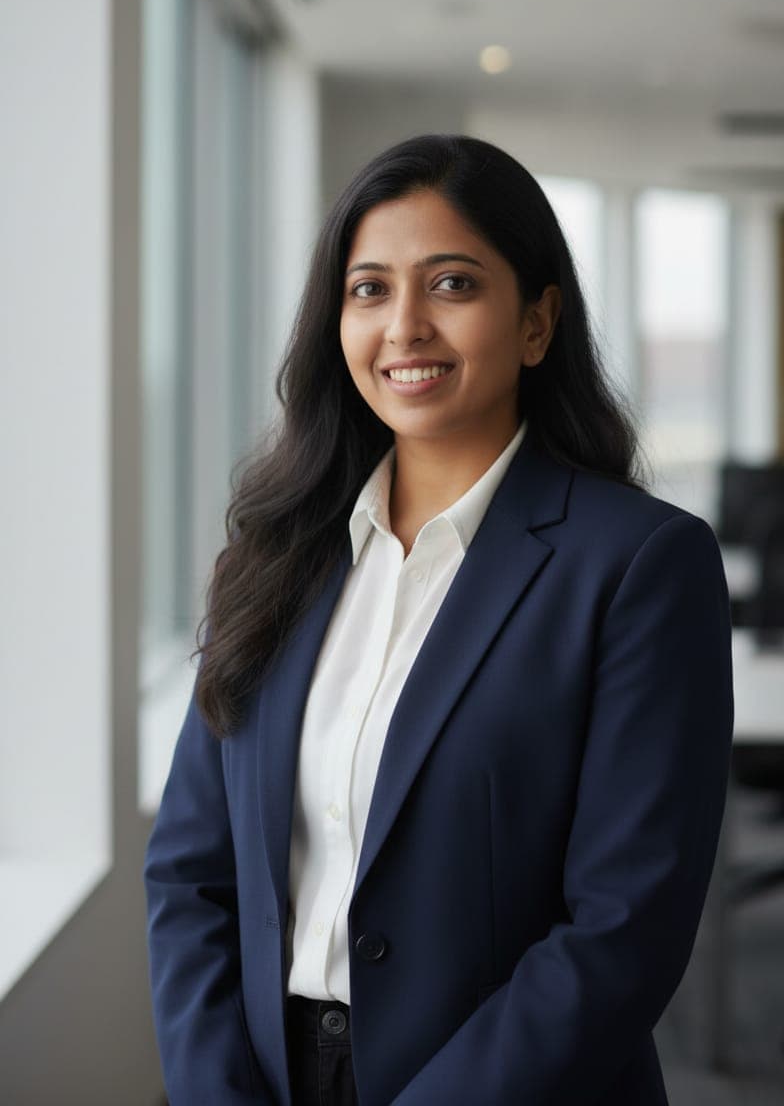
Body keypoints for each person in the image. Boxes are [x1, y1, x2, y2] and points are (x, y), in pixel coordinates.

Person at [145, 133, 733, 1106]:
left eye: (452, 284)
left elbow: (622, 927)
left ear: (537, 321)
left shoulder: (639, 564)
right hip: (269, 1074)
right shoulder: (272, 553)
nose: (403, 326)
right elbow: (191, 873)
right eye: (369, 289)